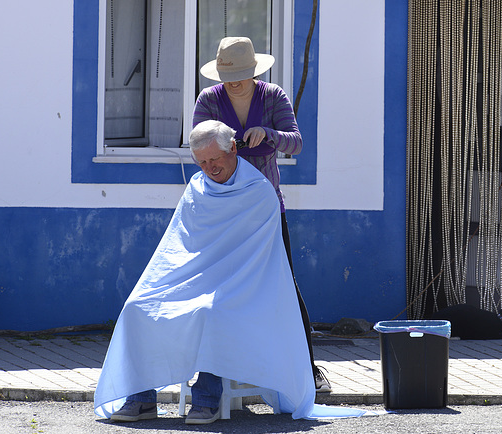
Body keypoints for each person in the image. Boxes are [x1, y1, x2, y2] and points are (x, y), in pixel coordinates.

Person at [95, 120, 316, 424]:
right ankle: (141, 398)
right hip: (193, 281)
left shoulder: (259, 192)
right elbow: (178, 248)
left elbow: (260, 259)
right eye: (201, 162)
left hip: (242, 286)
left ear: (234, 149)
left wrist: (221, 286)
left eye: (215, 160)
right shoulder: (196, 188)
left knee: (212, 311)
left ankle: (206, 399)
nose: (209, 168)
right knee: (138, 307)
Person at [193, 36, 331, 393]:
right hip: (221, 208)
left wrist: (268, 133)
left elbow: (296, 141)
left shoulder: (274, 96)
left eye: (240, 74)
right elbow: (196, 143)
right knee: (217, 286)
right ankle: (214, 370)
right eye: (228, 74)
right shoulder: (209, 100)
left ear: (254, 71)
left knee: (282, 282)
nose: (233, 81)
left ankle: (309, 369)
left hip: (265, 206)